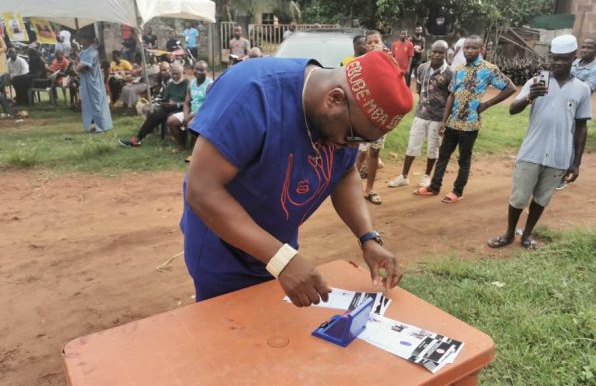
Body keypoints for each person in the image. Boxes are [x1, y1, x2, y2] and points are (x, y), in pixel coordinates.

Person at [181, 51, 413, 304]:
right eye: (353, 137)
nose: (351, 147)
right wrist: (281, 259)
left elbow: (345, 172)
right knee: (229, 322)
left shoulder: (343, 121)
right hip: (224, 252)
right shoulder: (253, 92)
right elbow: (202, 190)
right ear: (335, 99)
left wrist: (367, 237)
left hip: (278, 246)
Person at [487, 34, 591, 249]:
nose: (558, 63)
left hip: (559, 155)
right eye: (555, 58)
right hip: (531, 151)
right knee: (519, 197)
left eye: (564, 59)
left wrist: (576, 163)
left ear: (574, 57)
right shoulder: (535, 82)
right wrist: (529, 97)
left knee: (542, 199)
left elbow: (581, 127)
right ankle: (509, 234)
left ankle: (526, 235)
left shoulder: (582, 89)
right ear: (549, 57)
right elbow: (512, 109)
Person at [414, 35, 516, 202]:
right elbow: (451, 95)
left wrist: (487, 104)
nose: (469, 51)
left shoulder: (488, 69)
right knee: (443, 155)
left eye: (473, 48)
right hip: (453, 122)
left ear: (481, 50)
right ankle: (434, 186)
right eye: (466, 48)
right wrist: (444, 121)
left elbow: (510, 87)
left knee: (464, 159)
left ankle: (457, 191)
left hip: (470, 123)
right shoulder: (459, 69)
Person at [389, 40, 453, 188]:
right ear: (430, 52)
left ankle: (426, 176)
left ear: (445, 54)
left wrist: (444, 121)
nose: (436, 55)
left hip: (438, 118)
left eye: (440, 52)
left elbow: (451, 97)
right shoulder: (422, 68)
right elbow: (419, 89)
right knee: (412, 145)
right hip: (421, 115)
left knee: (432, 148)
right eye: (434, 51)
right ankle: (404, 176)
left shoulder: (450, 73)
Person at [555, 37, 596, 191]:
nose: (585, 50)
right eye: (583, 47)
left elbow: (586, 89)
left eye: (589, 48)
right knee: (556, 140)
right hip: (560, 107)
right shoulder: (573, 63)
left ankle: (563, 175)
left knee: (570, 142)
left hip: (576, 111)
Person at [355, 30, 389, 205]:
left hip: (381, 116)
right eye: (370, 42)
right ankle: (352, 190)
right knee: (360, 152)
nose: (373, 44)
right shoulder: (360, 63)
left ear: (382, 44)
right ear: (365, 46)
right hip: (363, 115)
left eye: (377, 41)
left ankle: (369, 189)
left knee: (374, 153)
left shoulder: (390, 62)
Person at [119, 63, 188, 147]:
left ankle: (180, 143)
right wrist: (164, 102)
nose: (174, 76)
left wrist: (176, 104)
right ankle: (138, 139)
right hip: (169, 107)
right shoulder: (171, 84)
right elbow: (164, 97)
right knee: (153, 115)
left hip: (181, 109)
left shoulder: (187, 84)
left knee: (168, 116)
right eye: (173, 74)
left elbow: (190, 103)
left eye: (177, 74)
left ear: (183, 72)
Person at [167, 60, 213, 150]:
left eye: (202, 70)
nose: (199, 72)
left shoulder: (209, 84)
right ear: (193, 70)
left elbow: (208, 106)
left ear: (206, 71)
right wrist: (185, 116)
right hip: (191, 112)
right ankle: (182, 145)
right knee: (171, 121)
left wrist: (190, 116)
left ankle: (200, 149)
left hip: (203, 113)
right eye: (197, 69)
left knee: (190, 124)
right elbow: (187, 102)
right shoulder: (191, 83)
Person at [75, 30, 113, 132]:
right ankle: (97, 125)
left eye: (80, 40)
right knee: (92, 104)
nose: (79, 42)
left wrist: (76, 65)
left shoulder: (92, 52)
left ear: (86, 40)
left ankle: (100, 128)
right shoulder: (87, 52)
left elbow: (79, 67)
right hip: (90, 81)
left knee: (96, 104)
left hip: (93, 82)